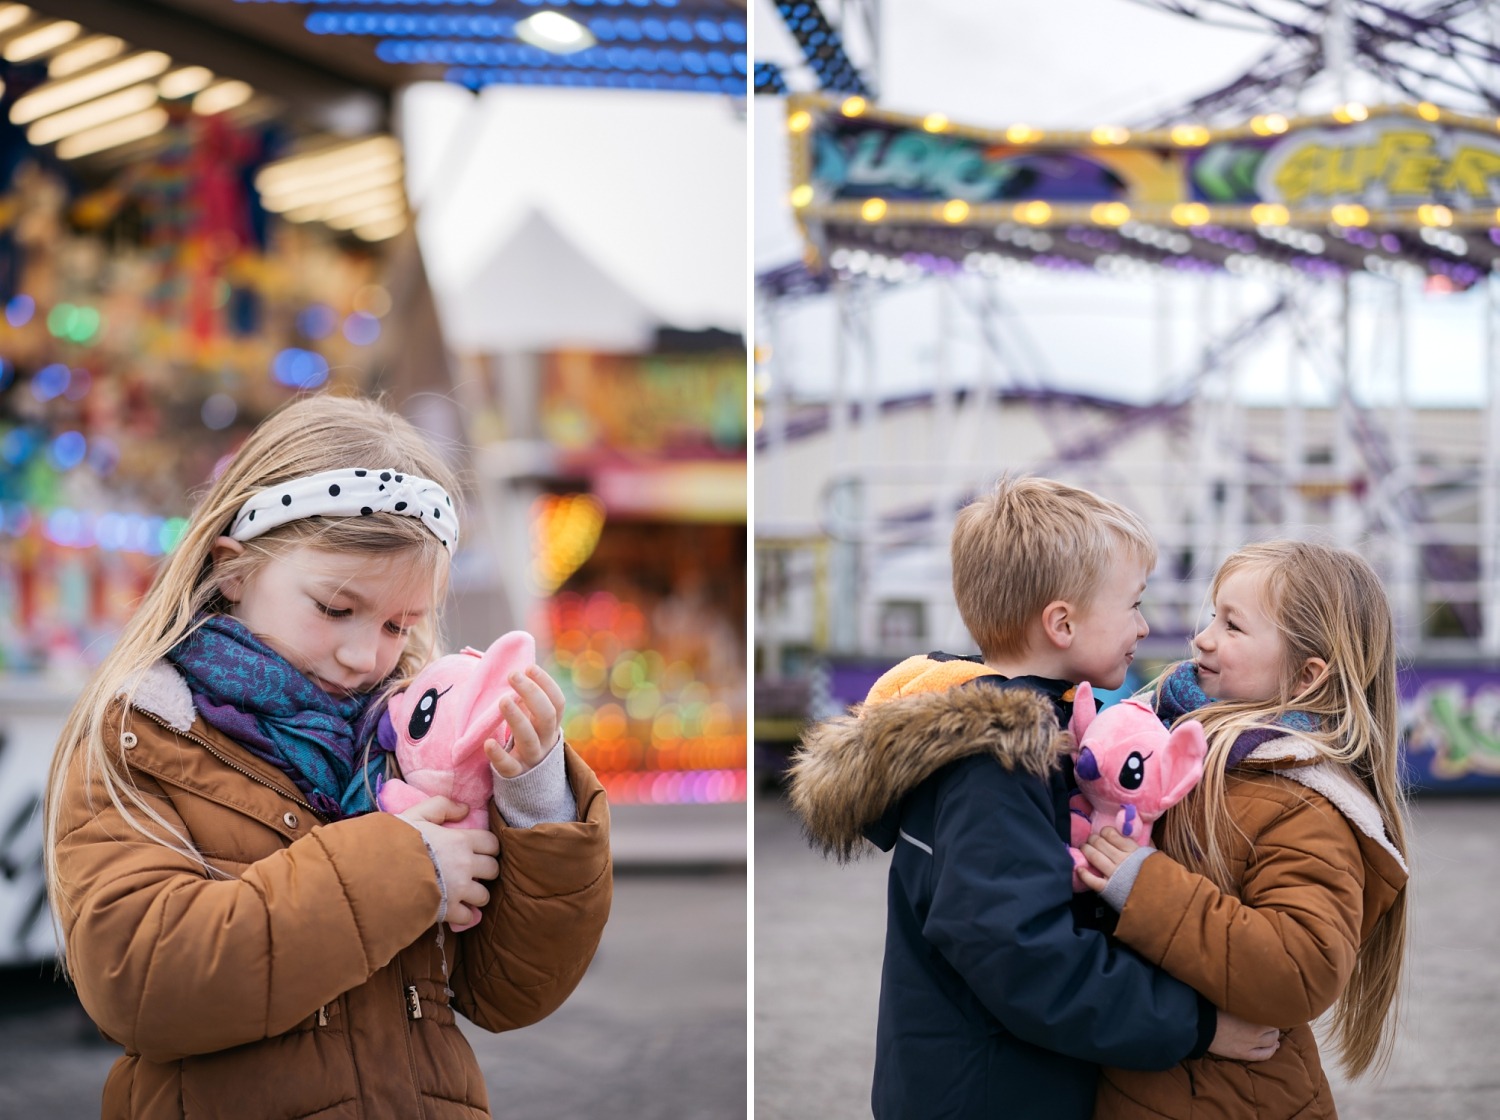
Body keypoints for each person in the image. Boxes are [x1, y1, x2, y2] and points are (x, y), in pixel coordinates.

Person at [43, 394, 612, 1119]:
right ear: (235, 569)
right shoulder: (144, 735)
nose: (362, 655)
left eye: (398, 626)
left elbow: (509, 992)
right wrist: (405, 867)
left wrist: (535, 807)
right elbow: (142, 985)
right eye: (335, 609)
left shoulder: (409, 740)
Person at [788, 476, 1280, 1120]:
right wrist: (1193, 1025)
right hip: (994, 1093)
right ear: (1062, 622)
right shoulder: (998, 762)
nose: (1145, 624)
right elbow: (1021, 955)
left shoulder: (1021, 737)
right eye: (1133, 603)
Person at [1078, 540, 1409, 1119]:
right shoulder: (1170, 733)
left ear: (1305, 677)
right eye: (1212, 615)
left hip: (1228, 1095)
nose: (1203, 637)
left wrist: (1144, 886)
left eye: (1233, 625)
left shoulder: (1301, 801)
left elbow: (1298, 967)